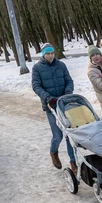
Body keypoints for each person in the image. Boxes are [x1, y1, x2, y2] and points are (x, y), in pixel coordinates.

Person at [31, 44, 77, 174]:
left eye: (52, 53)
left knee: (69, 134)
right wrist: (47, 97)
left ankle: (73, 162)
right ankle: (53, 152)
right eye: (47, 54)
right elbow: (36, 86)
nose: (50, 56)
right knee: (58, 135)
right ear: (43, 55)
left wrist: (68, 92)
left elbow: (69, 81)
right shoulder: (37, 68)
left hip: (64, 103)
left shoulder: (61, 65)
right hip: (51, 105)